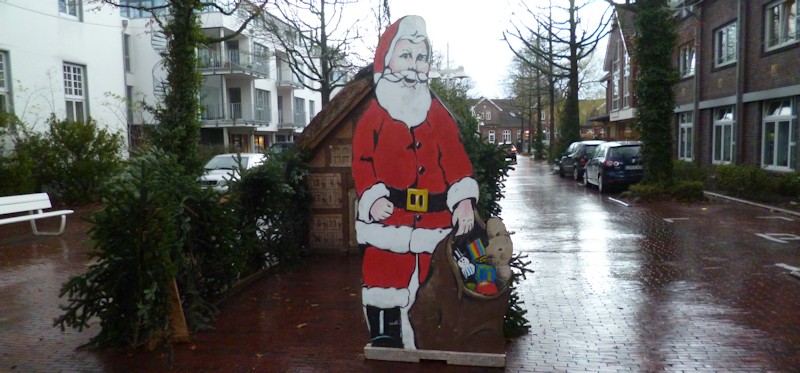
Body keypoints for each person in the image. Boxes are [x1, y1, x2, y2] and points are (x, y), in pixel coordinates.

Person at [352, 15, 479, 349]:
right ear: (388, 59)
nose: (413, 64)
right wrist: (372, 196)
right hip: (389, 219)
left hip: (435, 221)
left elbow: (454, 158)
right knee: (383, 277)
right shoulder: (374, 115)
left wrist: (463, 198)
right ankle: (386, 337)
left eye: (421, 57)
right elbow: (363, 161)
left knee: (433, 280)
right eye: (406, 55)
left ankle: (430, 336)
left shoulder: (437, 113)